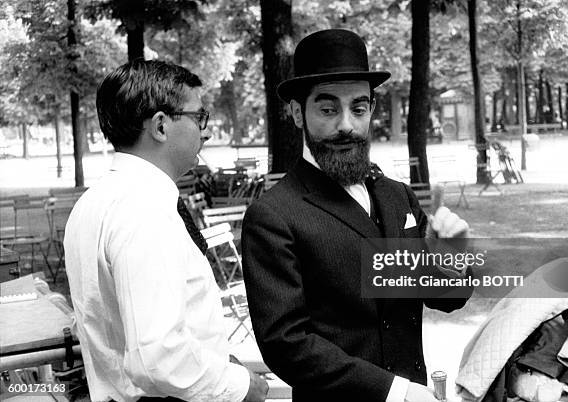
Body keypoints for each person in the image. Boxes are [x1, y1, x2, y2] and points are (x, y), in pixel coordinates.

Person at [241, 29, 472, 402]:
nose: (346, 124)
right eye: (328, 109)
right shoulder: (273, 215)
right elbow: (286, 343)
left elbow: (444, 297)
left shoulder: (397, 195)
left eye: (358, 108)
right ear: (298, 113)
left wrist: (452, 259)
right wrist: (396, 393)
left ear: (372, 110)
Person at [64, 60, 268, 402]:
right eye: (198, 117)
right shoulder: (145, 210)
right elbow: (158, 357)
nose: (206, 131)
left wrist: (217, 362)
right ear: (160, 126)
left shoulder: (94, 203)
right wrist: (241, 386)